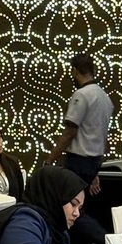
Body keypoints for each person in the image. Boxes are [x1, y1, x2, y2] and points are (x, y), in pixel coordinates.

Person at [46, 52, 113, 198]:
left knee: (70, 201)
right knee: (83, 202)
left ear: (74, 71)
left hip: (78, 162)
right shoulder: (104, 97)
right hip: (95, 162)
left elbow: (70, 132)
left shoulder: (81, 95)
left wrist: (50, 160)